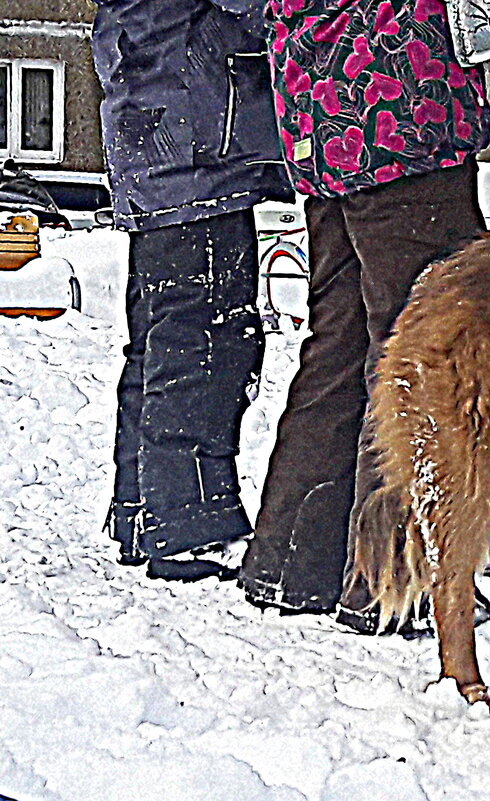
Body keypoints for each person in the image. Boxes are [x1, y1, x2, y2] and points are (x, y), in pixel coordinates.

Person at [238, 0, 490, 625]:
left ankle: (292, 562)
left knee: (341, 341)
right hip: (400, 107)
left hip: (324, 106)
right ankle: (395, 582)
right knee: (430, 355)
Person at [93, 0, 293, 581]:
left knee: (159, 339)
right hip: (196, 148)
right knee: (206, 341)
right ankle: (191, 523)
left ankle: (141, 508)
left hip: (157, 144)